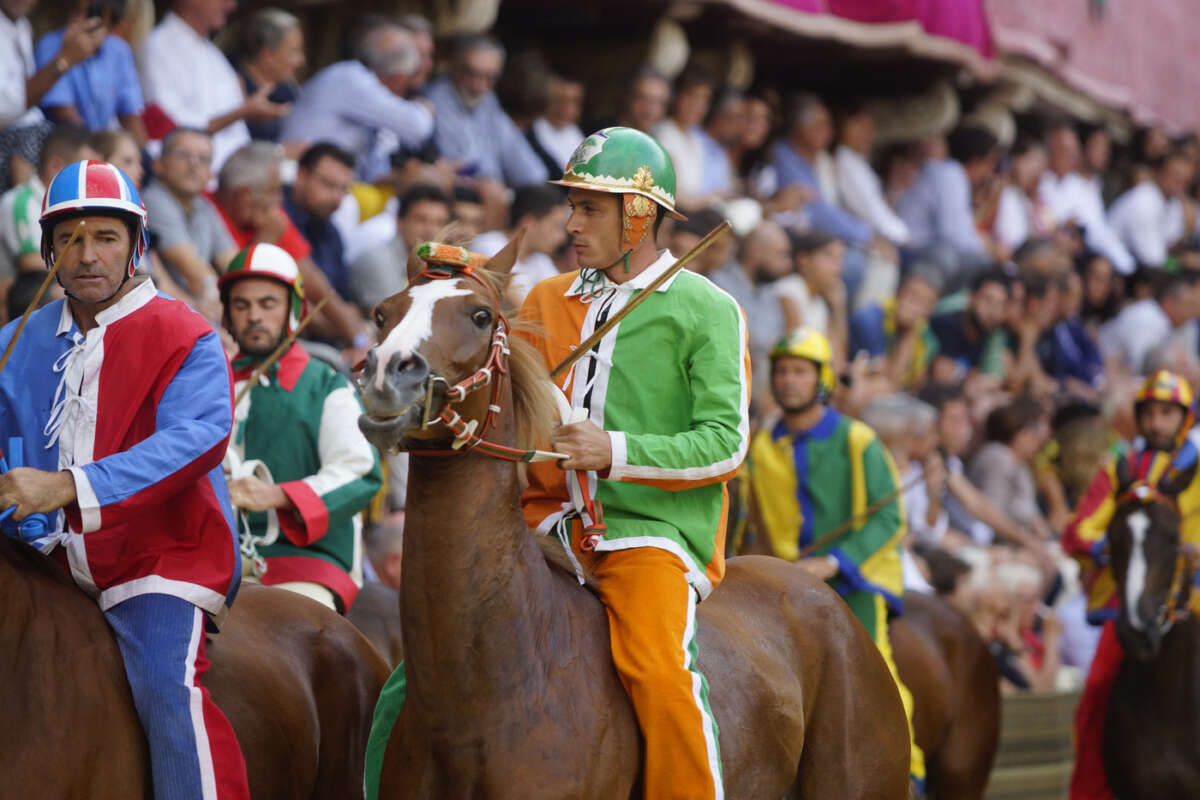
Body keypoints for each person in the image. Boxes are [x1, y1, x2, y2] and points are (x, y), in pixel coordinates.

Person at [0, 159, 248, 797]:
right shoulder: (15, 340)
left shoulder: (185, 333)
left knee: (168, 686)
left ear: (136, 245)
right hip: (41, 555)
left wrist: (66, 487)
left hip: (157, 559)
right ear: (50, 249)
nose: (87, 255)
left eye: (105, 237)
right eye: (70, 239)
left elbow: (196, 440)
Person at [520, 126, 749, 799]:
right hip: (536, 529)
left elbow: (724, 443)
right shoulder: (542, 299)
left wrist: (612, 452)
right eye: (572, 205)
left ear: (640, 214)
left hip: (644, 535)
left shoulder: (709, 308)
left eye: (589, 208)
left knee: (656, 672)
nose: (571, 223)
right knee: (419, 672)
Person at [745, 326, 923, 787]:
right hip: (785, 586)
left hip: (855, 583)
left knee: (882, 684)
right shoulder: (761, 446)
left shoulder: (858, 438)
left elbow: (889, 521)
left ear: (822, 379)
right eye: (782, 371)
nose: (788, 380)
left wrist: (834, 562)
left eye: (800, 371)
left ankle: (911, 777)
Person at [1062, 370, 1200, 800]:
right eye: (1150, 414)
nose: (1156, 423)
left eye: (1166, 413)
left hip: (1195, 602)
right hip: (1129, 606)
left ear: (1185, 418)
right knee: (1098, 696)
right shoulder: (1117, 468)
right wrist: (1123, 546)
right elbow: (1078, 533)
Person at [220, 243, 380, 612]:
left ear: (293, 309)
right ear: (227, 313)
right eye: (241, 305)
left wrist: (275, 496)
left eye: (268, 304)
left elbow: (360, 472)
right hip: (217, 556)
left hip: (307, 561)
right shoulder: (208, 383)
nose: (254, 316)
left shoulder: (326, 384)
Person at [280, 18, 431, 181]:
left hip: (332, 185)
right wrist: (425, 109)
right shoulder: (351, 79)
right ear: (398, 78)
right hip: (301, 183)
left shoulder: (355, 79)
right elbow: (419, 127)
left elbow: (374, 171)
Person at [139, 0, 282, 170]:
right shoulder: (158, 46)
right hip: (190, 174)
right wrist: (242, 112)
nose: (231, 6)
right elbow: (171, 130)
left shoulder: (213, 54)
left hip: (231, 172)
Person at [0, 0, 104, 189]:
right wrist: (65, 59)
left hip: (34, 129)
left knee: (95, 154)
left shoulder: (22, 25)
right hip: (11, 140)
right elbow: (5, 108)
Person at [425, 35, 547, 187]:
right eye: (471, 73)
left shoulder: (489, 101)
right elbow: (463, 165)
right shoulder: (437, 98)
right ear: (454, 67)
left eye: (489, 77)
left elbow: (528, 167)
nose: (479, 86)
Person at [141, 126, 237, 306]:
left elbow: (234, 264)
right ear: (158, 164)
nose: (194, 164)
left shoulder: (204, 206)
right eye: (183, 155)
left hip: (192, 309)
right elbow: (197, 274)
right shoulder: (153, 199)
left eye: (203, 159)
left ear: (210, 173)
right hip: (166, 312)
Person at [33, 0, 146, 141]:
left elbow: (130, 116)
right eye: (79, 11)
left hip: (102, 144)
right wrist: (69, 55)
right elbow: (65, 116)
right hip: (63, 142)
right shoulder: (51, 45)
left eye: (94, 12)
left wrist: (143, 155)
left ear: (108, 19)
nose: (84, 20)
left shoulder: (119, 50)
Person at [0, 123, 92, 276]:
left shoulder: (75, 204)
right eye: (82, 170)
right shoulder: (20, 202)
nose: (89, 178)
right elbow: (31, 262)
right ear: (55, 166)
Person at [472, 184, 568, 307]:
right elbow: (523, 312)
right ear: (529, 223)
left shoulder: (540, 260)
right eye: (556, 226)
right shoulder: (489, 246)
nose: (562, 237)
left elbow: (562, 305)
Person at [848, 266, 942, 391]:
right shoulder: (870, 319)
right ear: (899, 292)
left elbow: (914, 386)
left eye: (926, 303)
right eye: (913, 296)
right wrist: (909, 334)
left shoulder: (927, 338)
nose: (916, 308)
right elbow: (887, 381)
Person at [283, 142, 355, 300]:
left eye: (343, 190)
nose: (337, 198)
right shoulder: (276, 211)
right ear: (301, 176)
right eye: (329, 185)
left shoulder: (333, 234)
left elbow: (342, 298)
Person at [1107, 149, 1192, 270]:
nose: (1180, 184)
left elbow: (1171, 244)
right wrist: (1185, 264)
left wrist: (1188, 229)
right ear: (1160, 173)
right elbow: (1153, 262)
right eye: (1175, 176)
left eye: (1185, 180)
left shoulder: (1173, 202)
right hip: (1115, 266)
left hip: (1139, 264)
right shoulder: (1143, 201)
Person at [232, 7, 304, 144]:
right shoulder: (231, 84)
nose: (301, 61)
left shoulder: (288, 91)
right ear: (268, 55)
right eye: (294, 51)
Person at [527, 74, 585, 180]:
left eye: (574, 101)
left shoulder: (575, 132)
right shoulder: (531, 133)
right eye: (560, 100)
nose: (567, 108)